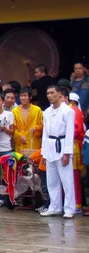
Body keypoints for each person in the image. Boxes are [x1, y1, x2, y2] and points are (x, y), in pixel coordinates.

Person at [40, 86, 76, 218]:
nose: (49, 95)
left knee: (67, 180)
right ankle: (55, 206)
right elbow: (45, 133)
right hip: (50, 146)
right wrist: (43, 152)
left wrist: (67, 153)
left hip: (61, 144)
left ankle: (69, 208)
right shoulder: (47, 112)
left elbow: (70, 133)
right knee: (51, 180)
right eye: (48, 93)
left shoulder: (68, 111)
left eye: (52, 93)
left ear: (59, 94)